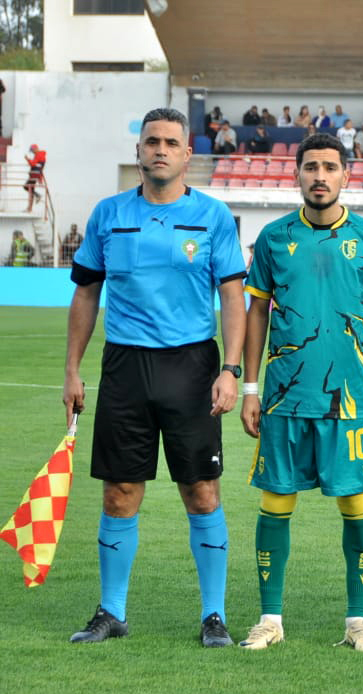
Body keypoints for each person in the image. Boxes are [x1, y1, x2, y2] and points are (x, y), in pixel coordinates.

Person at [63, 107, 246, 647]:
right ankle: (111, 612)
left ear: (188, 154)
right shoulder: (108, 214)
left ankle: (213, 616)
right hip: (125, 367)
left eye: (170, 142)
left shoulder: (213, 216)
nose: (160, 149)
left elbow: (232, 296)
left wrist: (230, 369)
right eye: (151, 141)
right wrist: (72, 369)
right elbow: (86, 293)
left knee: (202, 491)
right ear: (138, 151)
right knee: (119, 492)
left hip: (191, 366)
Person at [238, 132, 363, 652]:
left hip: (349, 401)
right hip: (283, 398)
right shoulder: (273, 239)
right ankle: (270, 620)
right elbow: (256, 313)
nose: (320, 176)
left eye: (330, 167)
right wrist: (249, 388)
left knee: (357, 504)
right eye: (311, 167)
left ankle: (358, 622)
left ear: (346, 175)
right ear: (297, 175)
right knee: (275, 502)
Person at [24, 143, 46, 211]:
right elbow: (37, 165)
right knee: (30, 189)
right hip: (35, 174)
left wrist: (27, 159)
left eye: (32, 150)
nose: (32, 152)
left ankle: (37, 196)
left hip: (34, 174)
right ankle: (29, 208)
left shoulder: (39, 155)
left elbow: (33, 164)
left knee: (26, 187)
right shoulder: (40, 155)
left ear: (35, 149)